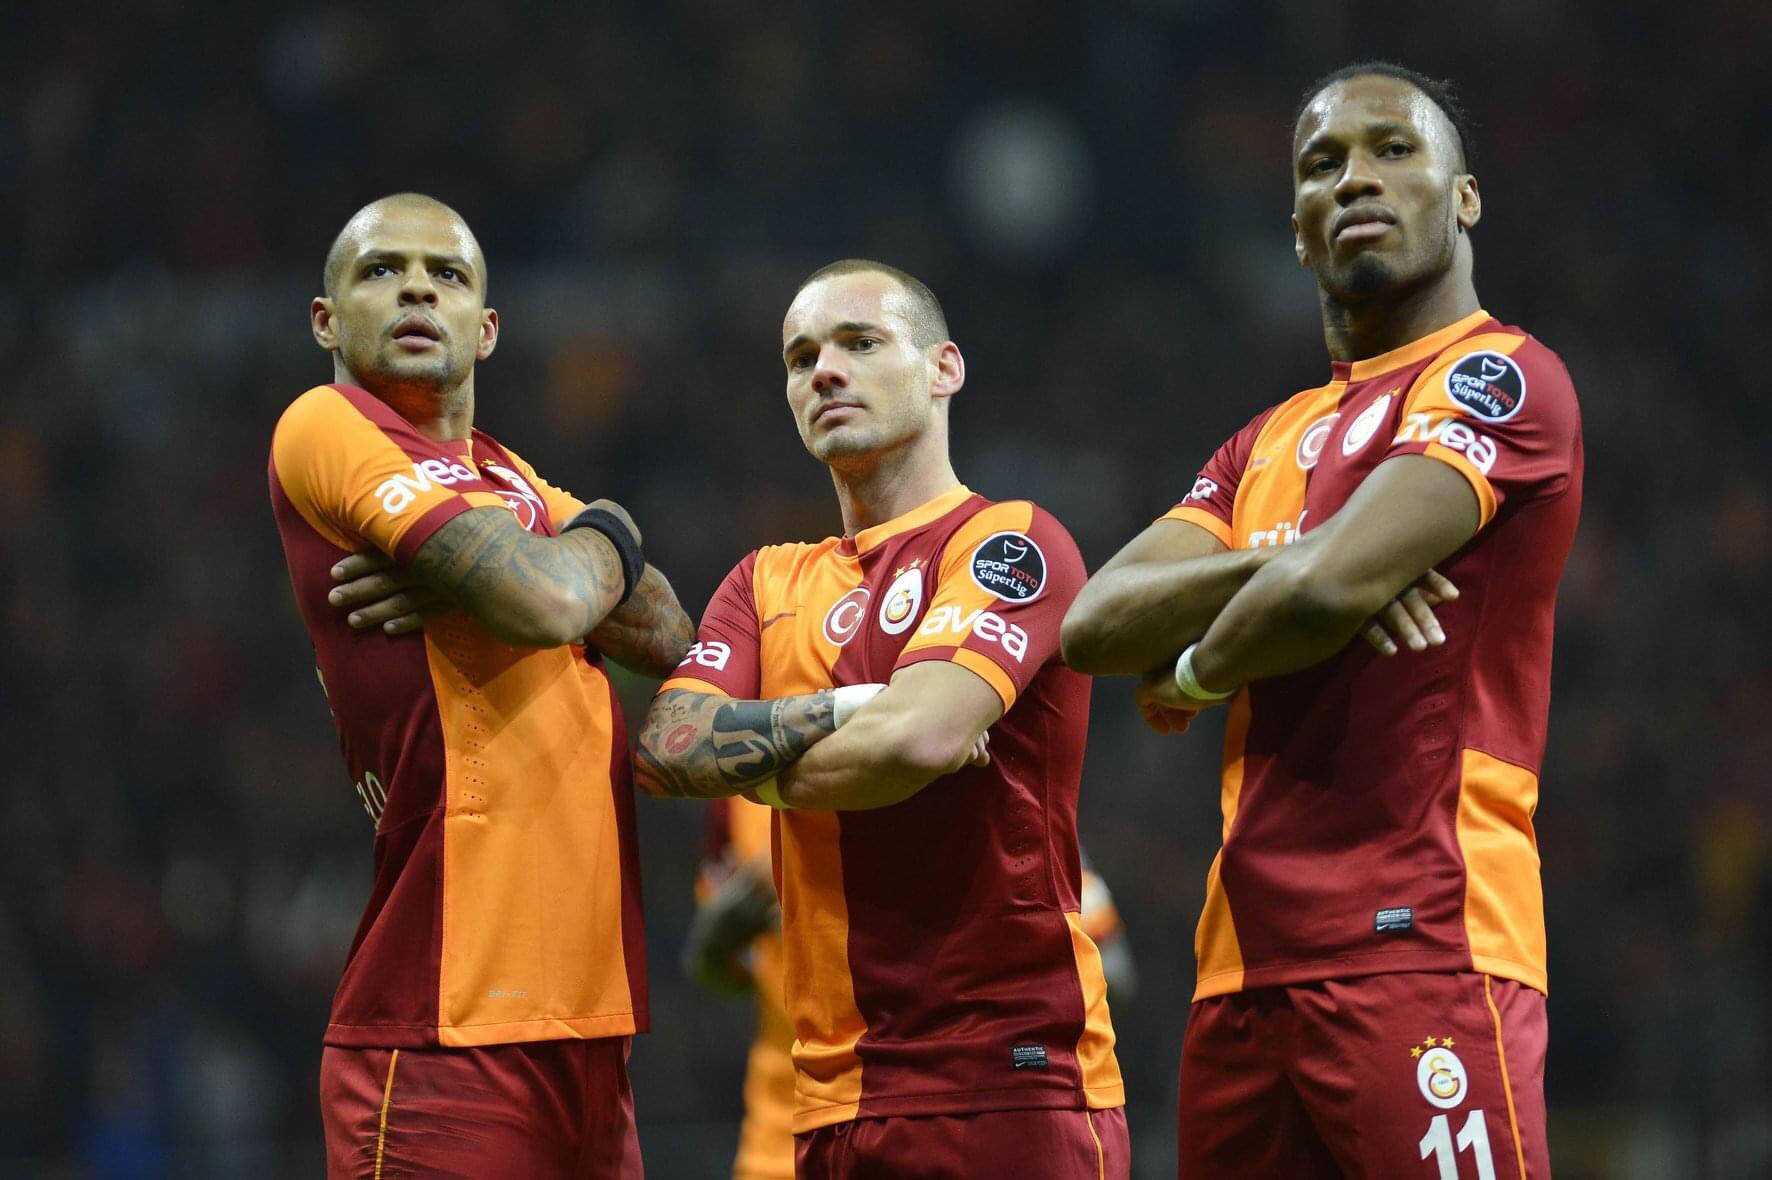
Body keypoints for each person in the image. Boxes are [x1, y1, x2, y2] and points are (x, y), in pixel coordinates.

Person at [1061, 62, 1581, 1179]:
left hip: (1426, 939)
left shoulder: (1499, 376)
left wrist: (1196, 667)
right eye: (1320, 164)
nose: (1355, 178)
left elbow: (1322, 595)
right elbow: (1093, 623)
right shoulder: (1264, 442)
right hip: (1241, 969)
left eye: (1393, 150)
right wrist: (1293, 557)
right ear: (1297, 231)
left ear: (1463, 196)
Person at [634, 260, 1129, 1178]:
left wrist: (753, 750)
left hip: (1002, 1087)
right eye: (801, 356)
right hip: (826, 1106)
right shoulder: (762, 582)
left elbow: (918, 739)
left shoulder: (1010, 541)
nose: (824, 370)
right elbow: (665, 750)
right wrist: (849, 711)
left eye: (861, 343)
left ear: (944, 368)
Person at [268, 192, 693, 1179]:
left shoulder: (503, 474)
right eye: (381, 270)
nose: (417, 285)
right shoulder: (322, 425)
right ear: (326, 321)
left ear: (486, 330)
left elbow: (669, 627)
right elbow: (547, 603)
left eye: (447, 275)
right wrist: (605, 534)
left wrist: (518, 560)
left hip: (590, 1034)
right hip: (437, 1036)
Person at [683, 796, 1138, 1180]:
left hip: (959, 1117)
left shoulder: (973, 770)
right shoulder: (740, 793)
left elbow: (1112, 967)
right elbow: (729, 970)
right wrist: (712, 944)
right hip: (785, 1135)